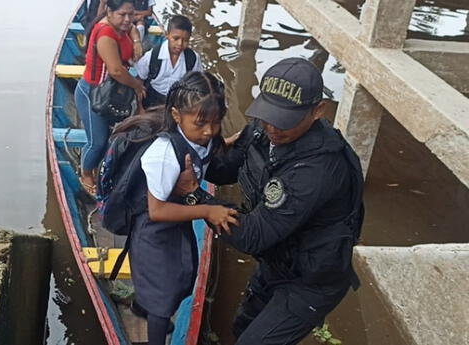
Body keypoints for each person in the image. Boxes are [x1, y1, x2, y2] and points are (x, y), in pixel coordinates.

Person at [174, 58, 365, 345]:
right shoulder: (262, 131)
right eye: (268, 114)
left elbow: (252, 236)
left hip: (309, 281)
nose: (273, 128)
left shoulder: (317, 171)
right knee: (242, 327)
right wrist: (200, 143)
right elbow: (224, 169)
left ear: (317, 111)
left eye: (285, 119)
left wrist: (195, 195)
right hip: (277, 259)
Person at [112, 71, 238, 345]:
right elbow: (156, 211)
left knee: (180, 278)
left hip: (176, 223)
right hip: (153, 230)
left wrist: (227, 142)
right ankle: (154, 323)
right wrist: (207, 211)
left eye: (216, 123)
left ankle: (140, 305)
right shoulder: (163, 154)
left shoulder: (202, 138)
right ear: (177, 116)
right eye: (201, 123)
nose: (209, 131)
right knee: (162, 298)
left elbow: (206, 150)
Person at [75, 0, 145, 196]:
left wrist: (137, 41)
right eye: (122, 14)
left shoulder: (123, 25)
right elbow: (115, 70)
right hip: (93, 93)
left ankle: (99, 166)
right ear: (109, 11)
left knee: (110, 138)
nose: (128, 19)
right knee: (97, 142)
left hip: (111, 94)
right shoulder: (105, 33)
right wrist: (137, 85)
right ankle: (86, 173)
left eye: (131, 14)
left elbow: (132, 29)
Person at [135, 15, 202, 109]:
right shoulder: (153, 55)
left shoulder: (193, 59)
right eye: (176, 38)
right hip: (152, 98)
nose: (180, 44)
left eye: (185, 40)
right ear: (167, 35)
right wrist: (140, 108)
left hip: (177, 101)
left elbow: (197, 83)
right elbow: (139, 81)